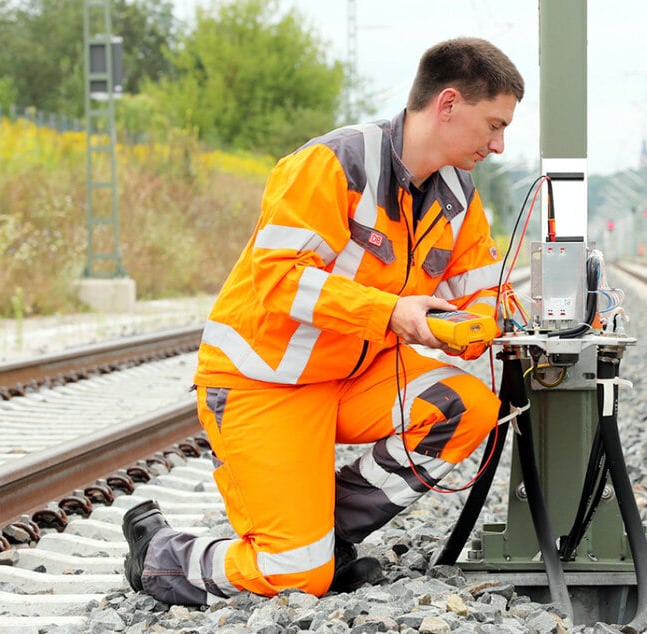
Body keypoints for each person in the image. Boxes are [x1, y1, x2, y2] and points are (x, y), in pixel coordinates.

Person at [121, 36, 525, 606]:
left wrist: (475, 326)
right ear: (449, 104)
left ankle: (324, 535)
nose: (500, 145)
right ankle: (162, 554)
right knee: (294, 580)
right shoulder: (334, 164)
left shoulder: (457, 195)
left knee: (468, 408)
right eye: (494, 125)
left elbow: (484, 289)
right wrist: (391, 311)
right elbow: (280, 278)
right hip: (265, 380)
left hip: (351, 377)